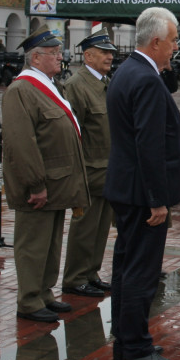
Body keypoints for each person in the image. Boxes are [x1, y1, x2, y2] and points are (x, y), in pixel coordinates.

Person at [105, 7, 180, 360]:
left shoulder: (127, 71)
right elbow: (149, 144)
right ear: (155, 41)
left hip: (126, 188)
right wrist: (157, 200)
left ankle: (124, 341)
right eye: (172, 41)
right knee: (141, 272)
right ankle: (136, 347)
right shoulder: (146, 79)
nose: (175, 48)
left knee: (125, 268)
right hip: (143, 194)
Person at [1, 29, 90, 323]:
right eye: (54, 53)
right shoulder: (21, 90)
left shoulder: (51, 85)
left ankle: (44, 293)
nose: (60, 57)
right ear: (36, 58)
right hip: (39, 185)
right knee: (33, 244)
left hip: (57, 182)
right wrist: (35, 184)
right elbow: (21, 143)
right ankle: (28, 300)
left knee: (50, 244)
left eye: (59, 52)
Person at [61, 26, 117, 300]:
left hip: (107, 169)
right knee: (84, 227)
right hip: (88, 170)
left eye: (110, 53)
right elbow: (72, 133)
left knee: (101, 226)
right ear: (88, 56)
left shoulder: (106, 83)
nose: (109, 57)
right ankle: (74, 278)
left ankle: (91, 273)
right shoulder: (76, 86)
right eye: (104, 53)